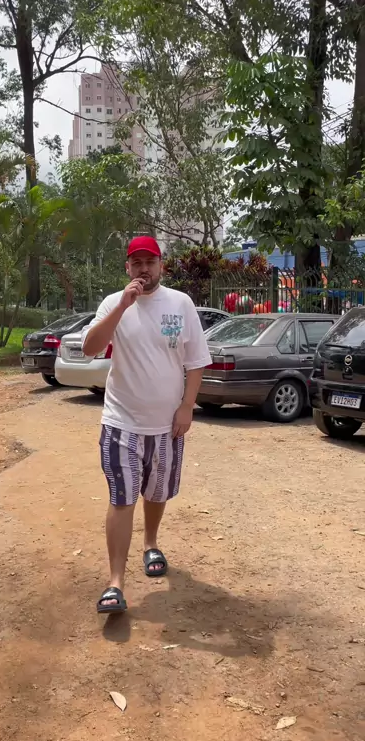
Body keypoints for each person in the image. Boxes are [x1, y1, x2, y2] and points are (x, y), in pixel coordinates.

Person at [82, 235, 212, 614]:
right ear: (127, 268)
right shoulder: (113, 303)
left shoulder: (180, 304)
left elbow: (196, 361)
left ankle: (150, 543)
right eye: (136, 263)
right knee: (122, 498)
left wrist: (187, 407)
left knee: (156, 493)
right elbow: (90, 348)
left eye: (150, 262)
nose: (144, 269)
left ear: (161, 266)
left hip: (167, 425)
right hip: (121, 422)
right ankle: (115, 583)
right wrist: (123, 305)